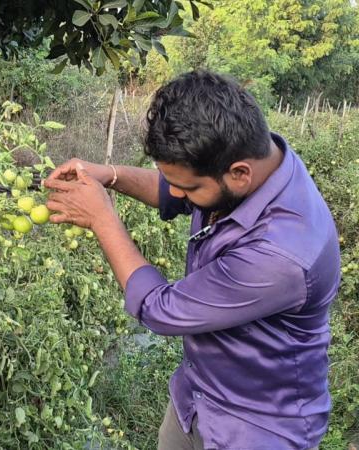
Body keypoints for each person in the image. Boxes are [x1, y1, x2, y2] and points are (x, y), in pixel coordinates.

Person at [44, 70, 339, 450]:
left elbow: (160, 309)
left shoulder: (282, 254)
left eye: (188, 187)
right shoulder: (253, 160)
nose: (177, 192)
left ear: (239, 174)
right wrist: (112, 176)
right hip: (196, 399)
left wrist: (102, 218)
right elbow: (176, 188)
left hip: (256, 429)